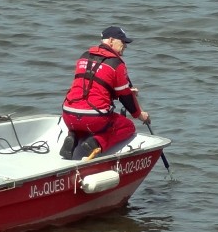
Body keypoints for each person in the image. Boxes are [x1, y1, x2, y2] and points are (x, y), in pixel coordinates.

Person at [60, 26, 150, 159]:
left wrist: (122, 91)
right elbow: (125, 97)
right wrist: (140, 115)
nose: (125, 45)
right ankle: (95, 143)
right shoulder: (116, 64)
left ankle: (72, 137)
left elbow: (94, 86)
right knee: (128, 126)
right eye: (123, 42)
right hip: (94, 119)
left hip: (68, 115)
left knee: (82, 118)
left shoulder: (84, 57)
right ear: (112, 40)